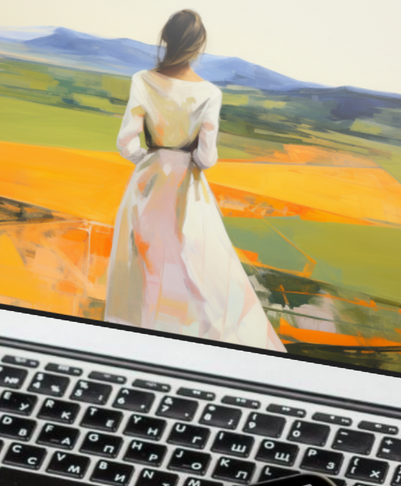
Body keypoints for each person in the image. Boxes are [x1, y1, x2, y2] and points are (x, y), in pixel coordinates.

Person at [105, 10, 285, 349]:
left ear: (167, 40)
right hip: (187, 187)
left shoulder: (142, 80)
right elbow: (206, 157)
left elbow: (126, 142)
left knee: (143, 266)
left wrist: (151, 159)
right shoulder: (209, 94)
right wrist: (184, 158)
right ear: (198, 46)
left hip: (148, 181)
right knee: (196, 267)